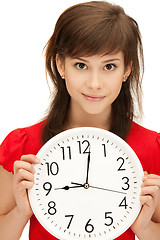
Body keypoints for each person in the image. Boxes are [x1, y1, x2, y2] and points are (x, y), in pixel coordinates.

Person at [0, 1, 160, 240]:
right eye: (81, 65)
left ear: (127, 69)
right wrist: (22, 212)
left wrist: (141, 225)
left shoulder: (151, 147)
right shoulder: (23, 146)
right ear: (61, 65)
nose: (94, 83)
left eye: (109, 66)